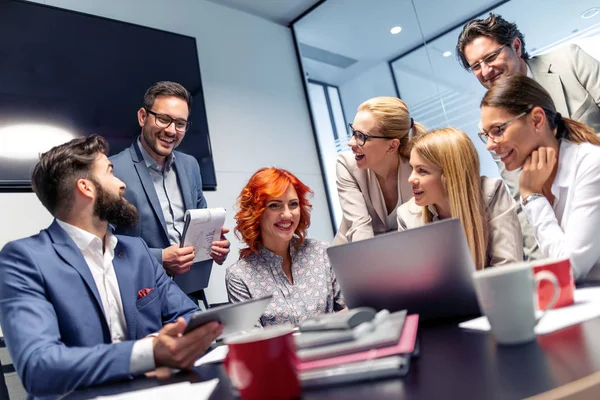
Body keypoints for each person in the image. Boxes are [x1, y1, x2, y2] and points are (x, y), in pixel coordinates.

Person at [0, 135, 223, 398]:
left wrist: (176, 340)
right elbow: (39, 367)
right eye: (110, 172)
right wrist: (148, 354)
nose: (122, 184)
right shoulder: (24, 259)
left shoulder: (137, 251)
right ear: (86, 187)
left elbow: (187, 314)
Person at [456, 13, 600, 260]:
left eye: (490, 57)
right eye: (476, 66)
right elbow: (521, 196)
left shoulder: (569, 61)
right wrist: (544, 270)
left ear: (516, 46)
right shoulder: (493, 123)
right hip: (569, 236)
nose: (486, 71)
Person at [110, 81, 230, 303]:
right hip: (140, 300)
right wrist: (161, 257)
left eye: (180, 123)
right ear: (142, 116)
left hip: (190, 296)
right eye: (164, 119)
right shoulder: (112, 170)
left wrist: (214, 246)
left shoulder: (190, 165)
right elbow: (102, 242)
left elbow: (199, 223)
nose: (171, 131)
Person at [481, 75, 600, 282]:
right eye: (486, 134)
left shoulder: (591, 164)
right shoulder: (535, 178)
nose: (489, 145)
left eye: (498, 130)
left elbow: (568, 270)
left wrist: (531, 197)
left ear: (537, 120)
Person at [226, 168, 346, 327]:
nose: (288, 215)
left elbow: (352, 310)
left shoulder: (321, 252)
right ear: (256, 212)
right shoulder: (239, 276)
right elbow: (254, 342)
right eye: (275, 205)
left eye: (293, 204)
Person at [397, 128, 522, 270]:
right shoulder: (407, 215)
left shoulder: (491, 193)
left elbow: (508, 270)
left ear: (450, 175)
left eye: (422, 171)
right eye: (412, 168)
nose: (411, 179)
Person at [333, 96, 426, 245]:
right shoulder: (346, 165)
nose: (350, 143)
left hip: (405, 253)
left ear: (392, 146)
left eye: (361, 136)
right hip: (356, 253)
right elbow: (360, 227)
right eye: (353, 132)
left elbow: (421, 226)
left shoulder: (416, 170)